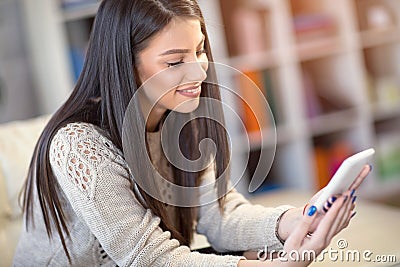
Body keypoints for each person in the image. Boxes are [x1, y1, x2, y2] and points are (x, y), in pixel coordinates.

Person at [13, 0, 370, 266]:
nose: (198, 70)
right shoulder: (78, 144)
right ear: (125, 62)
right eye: (174, 61)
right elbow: (147, 257)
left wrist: (295, 220)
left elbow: (221, 216)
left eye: (199, 51)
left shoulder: (180, 120)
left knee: (257, 251)